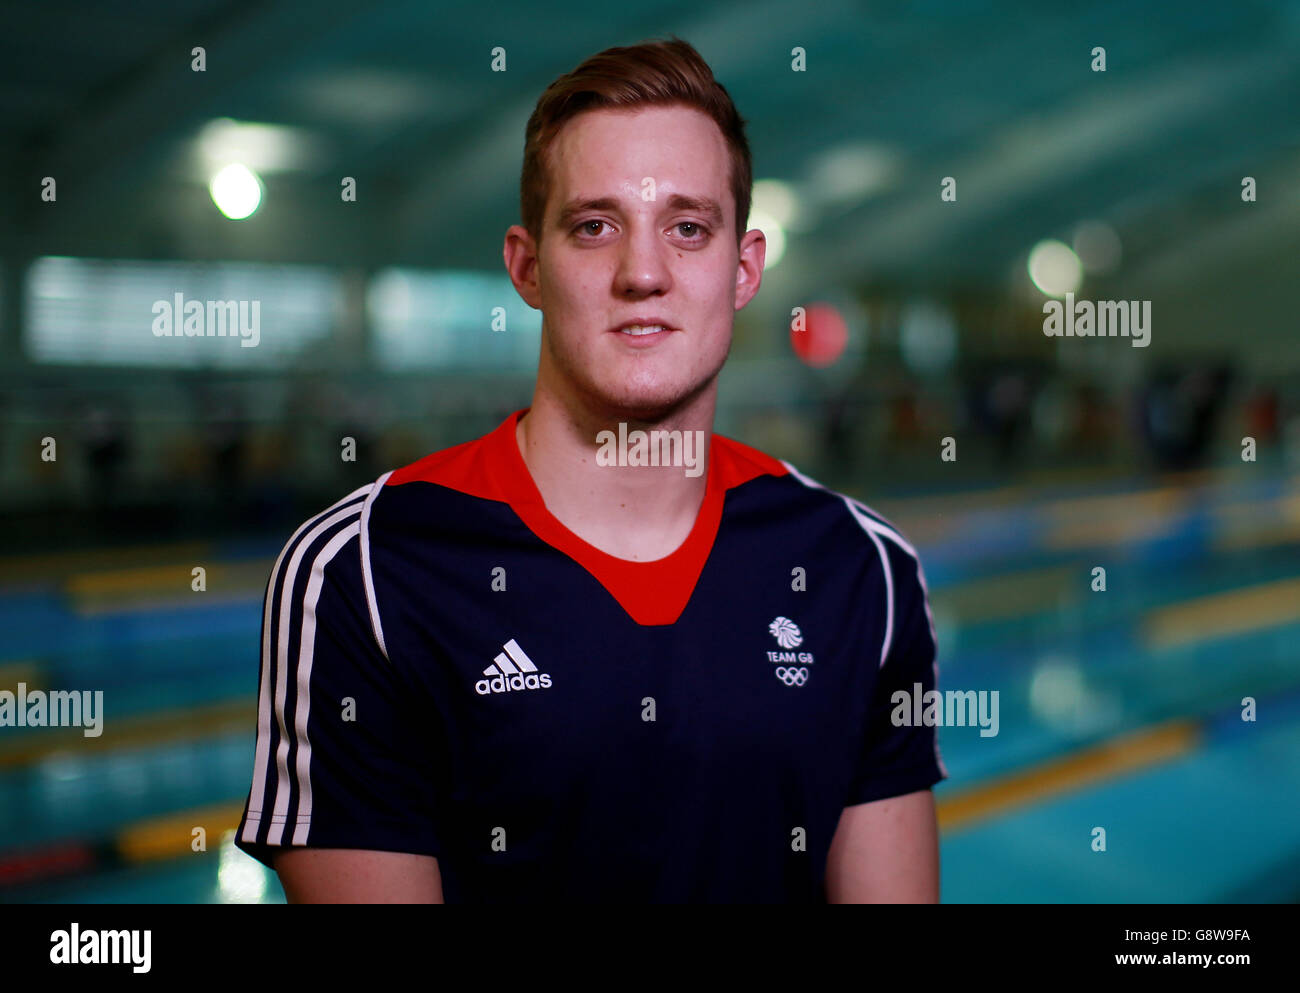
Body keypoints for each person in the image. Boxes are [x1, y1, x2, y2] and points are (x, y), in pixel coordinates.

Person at [234, 36, 946, 903]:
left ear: (744, 269)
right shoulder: (365, 574)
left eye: (687, 228)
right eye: (595, 226)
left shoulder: (859, 570)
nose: (642, 273)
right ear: (527, 266)